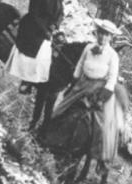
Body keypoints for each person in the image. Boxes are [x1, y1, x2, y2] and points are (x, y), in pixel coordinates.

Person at [51, 19, 123, 165]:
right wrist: (74, 81)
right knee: (61, 108)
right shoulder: (89, 47)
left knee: (101, 122)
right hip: (82, 84)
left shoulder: (112, 55)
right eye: (101, 33)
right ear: (97, 33)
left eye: (107, 35)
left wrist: (104, 96)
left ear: (111, 37)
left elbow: (112, 77)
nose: (103, 37)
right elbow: (80, 64)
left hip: (99, 88)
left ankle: (98, 153)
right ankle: (52, 139)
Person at [10, 0, 69, 94]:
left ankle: (39, 81)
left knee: (54, 51)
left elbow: (61, 12)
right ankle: (26, 81)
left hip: (50, 27)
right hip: (34, 25)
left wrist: (56, 25)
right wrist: (45, 31)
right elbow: (34, 13)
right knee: (37, 49)